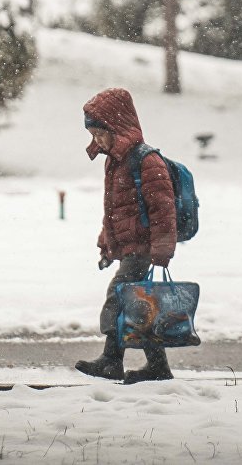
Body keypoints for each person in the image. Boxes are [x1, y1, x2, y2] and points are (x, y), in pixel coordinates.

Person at [74, 87, 178, 384]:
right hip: (131, 246)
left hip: (144, 247)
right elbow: (116, 210)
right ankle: (154, 365)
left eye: (100, 134)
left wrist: (161, 249)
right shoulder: (116, 161)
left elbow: (163, 209)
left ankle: (112, 360)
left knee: (120, 298)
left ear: (117, 129)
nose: (97, 141)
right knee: (137, 304)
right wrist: (107, 243)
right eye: (93, 136)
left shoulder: (147, 161)